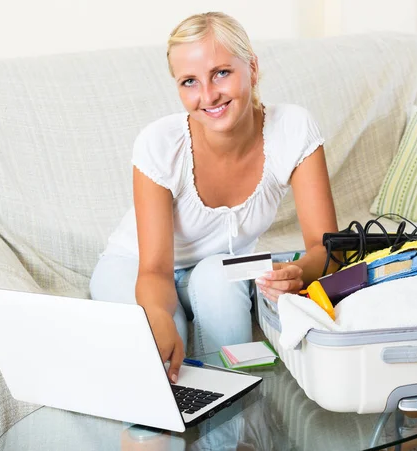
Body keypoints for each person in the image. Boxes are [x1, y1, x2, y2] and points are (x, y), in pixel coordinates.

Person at [89, 11, 338, 384]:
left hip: (218, 267)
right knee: (164, 343)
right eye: (189, 81)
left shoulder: (293, 129)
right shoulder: (159, 144)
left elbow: (327, 248)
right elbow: (154, 271)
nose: (208, 96)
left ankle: (234, 434)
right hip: (137, 267)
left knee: (219, 286)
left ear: (252, 68)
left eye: (221, 72)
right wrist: (157, 321)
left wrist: (298, 272)